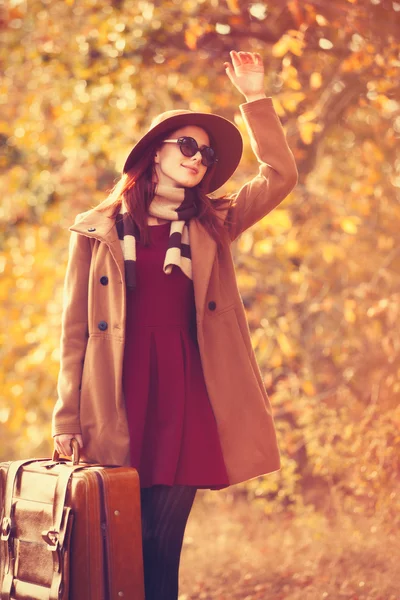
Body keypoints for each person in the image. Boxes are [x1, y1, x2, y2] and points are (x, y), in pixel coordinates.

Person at [52, 50, 298, 600]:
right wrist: (64, 420)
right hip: (114, 399)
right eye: (187, 145)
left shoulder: (215, 222)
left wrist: (255, 98)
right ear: (155, 155)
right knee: (113, 545)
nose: (198, 158)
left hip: (186, 395)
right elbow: (73, 335)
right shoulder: (97, 231)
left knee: (162, 544)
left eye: (206, 154)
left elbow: (281, 174)